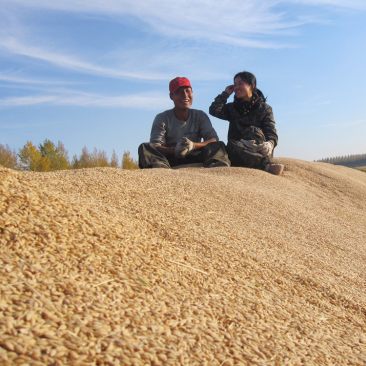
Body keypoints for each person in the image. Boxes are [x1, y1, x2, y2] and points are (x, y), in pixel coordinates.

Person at [139, 77, 230, 169]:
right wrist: (175, 150)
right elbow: (156, 146)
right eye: (179, 92)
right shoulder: (162, 118)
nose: (185, 95)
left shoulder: (200, 115)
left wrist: (193, 146)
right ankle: (160, 167)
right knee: (146, 147)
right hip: (170, 160)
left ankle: (217, 166)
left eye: (188, 91)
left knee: (218, 145)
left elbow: (213, 140)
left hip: (196, 158)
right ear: (171, 96)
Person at [209, 71, 284, 175]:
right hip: (239, 150)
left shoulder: (265, 108)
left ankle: (266, 164)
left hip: (260, 149)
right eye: (235, 85)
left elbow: (271, 132)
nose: (237, 87)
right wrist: (225, 94)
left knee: (252, 131)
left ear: (252, 86)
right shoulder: (232, 108)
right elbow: (214, 110)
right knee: (230, 144)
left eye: (240, 83)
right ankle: (266, 165)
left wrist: (270, 144)